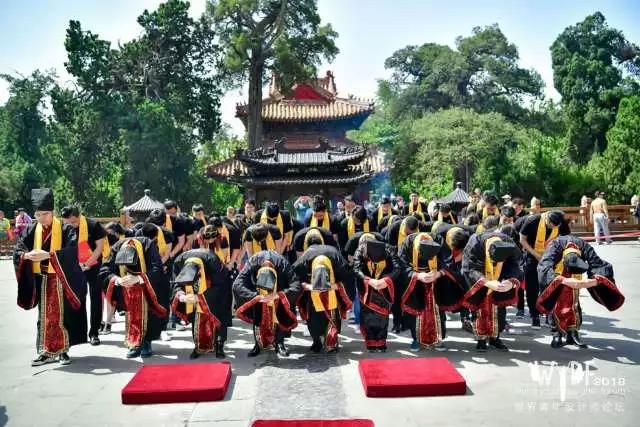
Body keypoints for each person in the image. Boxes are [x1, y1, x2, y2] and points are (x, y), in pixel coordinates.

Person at [14, 189, 87, 366]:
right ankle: (45, 351)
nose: (42, 218)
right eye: (38, 215)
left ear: (52, 212)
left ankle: (63, 350)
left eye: (45, 214)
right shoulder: (32, 229)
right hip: (41, 278)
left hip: (61, 278)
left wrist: (48, 255)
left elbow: (71, 252)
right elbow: (19, 248)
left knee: (62, 315)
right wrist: (26, 256)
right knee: (44, 316)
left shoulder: (65, 228)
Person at [537, 235, 624, 348]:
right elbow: (544, 266)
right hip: (557, 273)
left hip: (575, 278)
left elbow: (599, 264)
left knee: (574, 301)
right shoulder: (554, 246)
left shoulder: (584, 247)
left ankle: (573, 333)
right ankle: (556, 333)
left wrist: (594, 281)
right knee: (556, 302)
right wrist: (561, 280)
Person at [99, 236, 169, 358]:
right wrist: (118, 280)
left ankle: (146, 342)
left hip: (147, 286)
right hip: (127, 287)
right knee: (131, 316)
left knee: (149, 315)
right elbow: (105, 270)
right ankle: (134, 343)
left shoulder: (148, 245)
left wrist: (139, 278)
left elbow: (157, 268)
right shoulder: (117, 247)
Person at [462, 231, 523, 351]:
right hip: (480, 275)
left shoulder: (509, 244)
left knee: (499, 310)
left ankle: (495, 338)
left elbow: (517, 265)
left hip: (501, 276)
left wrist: (511, 282)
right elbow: (469, 267)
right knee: (479, 308)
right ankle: (481, 339)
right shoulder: (475, 243)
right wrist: (486, 282)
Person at [233, 250, 301, 357]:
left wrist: (278, 294)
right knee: (258, 311)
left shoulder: (283, 264)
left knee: (280, 311)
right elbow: (237, 284)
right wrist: (256, 296)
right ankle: (258, 344)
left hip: (279, 288)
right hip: (258, 291)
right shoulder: (253, 262)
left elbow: (296, 285)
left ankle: (280, 343)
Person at [172, 247, 232, 359]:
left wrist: (199, 297)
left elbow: (219, 285)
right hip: (192, 288)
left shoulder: (213, 261)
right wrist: (181, 295)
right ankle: (198, 346)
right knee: (196, 314)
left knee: (218, 312)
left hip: (216, 283)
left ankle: (219, 344)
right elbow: (176, 283)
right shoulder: (178, 262)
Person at [293, 243, 353, 353]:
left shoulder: (339, 262)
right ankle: (316, 341)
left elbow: (348, 279)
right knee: (313, 319)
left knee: (333, 317)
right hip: (311, 292)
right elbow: (294, 279)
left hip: (333, 291)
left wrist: (334, 286)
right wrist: (307, 286)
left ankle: (332, 342)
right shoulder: (303, 262)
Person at [61, 206, 107, 346]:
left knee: (95, 299)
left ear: (79, 216)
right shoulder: (64, 228)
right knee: (77, 298)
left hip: (93, 266)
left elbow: (100, 247)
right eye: (67, 222)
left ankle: (94, 332)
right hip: (75, 268)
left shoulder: (93, 225)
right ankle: (77, 334)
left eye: (73, 222)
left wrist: (88, 263)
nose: (71, 225)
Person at [519, 211, 570, 328]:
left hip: (550, 257)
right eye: (550, 225)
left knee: (549, 286)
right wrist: (535, 254)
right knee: (532, 287)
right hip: (532, 255)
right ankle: (534, 315)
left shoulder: (561, 222)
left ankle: (548, 314)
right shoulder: (533, 220)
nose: (552, 228)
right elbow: (522, 239)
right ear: (547, 219)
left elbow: (566, 239)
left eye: (555, 226)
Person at [399, 232, 448, 350]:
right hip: (415, 280)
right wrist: (417, 275)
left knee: (438, 311)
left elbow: (448, 261)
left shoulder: (438, 240)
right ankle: (416, 339)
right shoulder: (408, 243)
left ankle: (438, 339)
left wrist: (439, 273)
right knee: (415, 312)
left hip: (435, 280)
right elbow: (401, 265)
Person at [352, 237, 402, 352]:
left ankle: (381, 342)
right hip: (366, 286)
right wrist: (368, 280)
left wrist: (386, 280)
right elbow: (356, 269)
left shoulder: (389, 249)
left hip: (384, 286)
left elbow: (398, 267)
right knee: (368, 316)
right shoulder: (360, 251)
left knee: (382, 316)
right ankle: (371, 343)